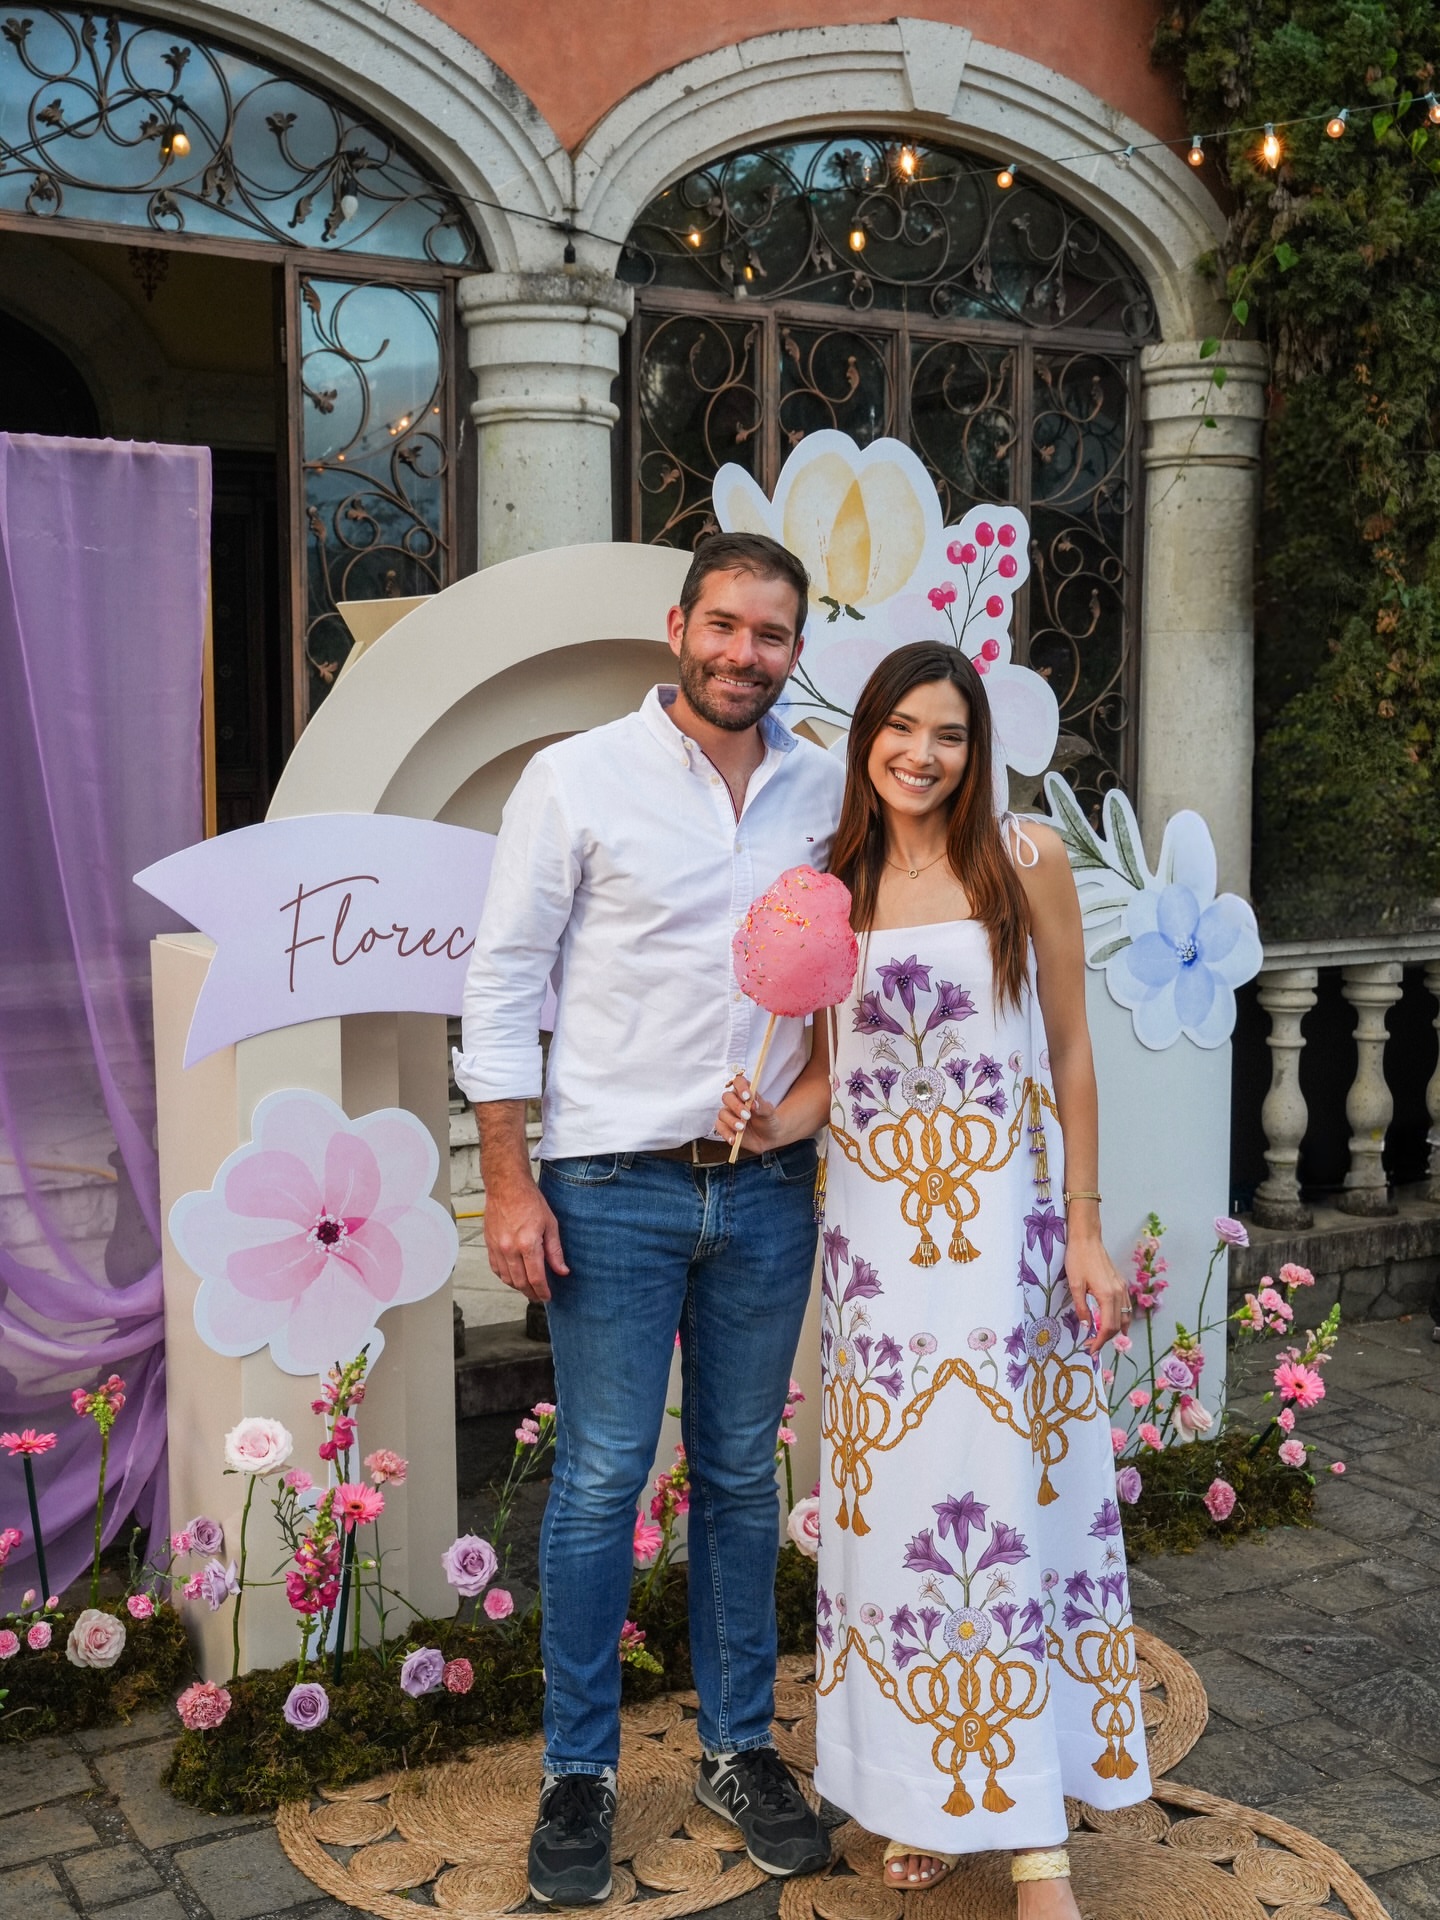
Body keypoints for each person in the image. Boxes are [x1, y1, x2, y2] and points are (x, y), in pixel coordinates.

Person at [716, 641, 1150, 1917]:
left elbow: (1071, 1052)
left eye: (948, 733)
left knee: (1007, 1508)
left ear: (976, 748)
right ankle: (921, 1795)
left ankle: (1036, 1848)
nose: (922, 754)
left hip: (1005, 1245)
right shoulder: (831, 888)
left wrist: (1084, 1229)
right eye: (900, 728)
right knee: (902, 1526)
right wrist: (768, 1117)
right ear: (867, 740)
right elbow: (826, 1082)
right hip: (880, 1264)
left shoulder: (1025, 860)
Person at [455, 531, 843, 1906]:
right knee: (602, 1475)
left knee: (739, 1472)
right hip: (610, 1186)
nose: (745, 653)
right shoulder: (575, 778)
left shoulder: (826, 788)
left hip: (766, 1187)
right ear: (680, 628)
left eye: (772, 633)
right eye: (725, 624)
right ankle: (580, 1771)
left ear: (797, 649)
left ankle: (739, 1749)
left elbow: (861, 963)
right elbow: (504, 979)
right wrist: (508, 1181)